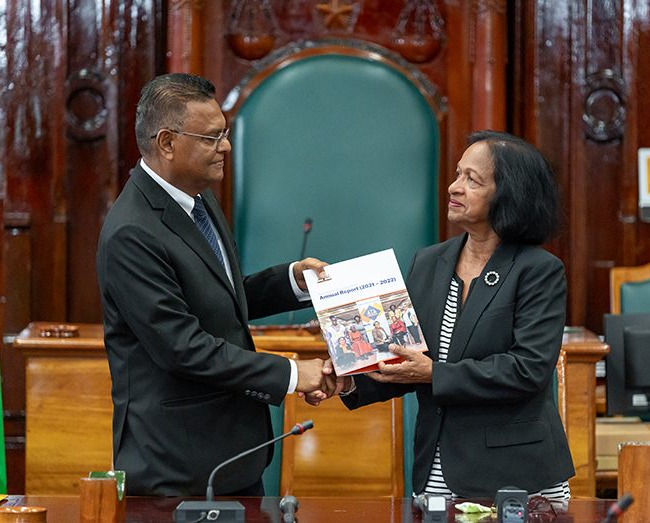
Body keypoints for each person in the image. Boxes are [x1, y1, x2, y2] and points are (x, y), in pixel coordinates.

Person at [96, 73, 334, 496]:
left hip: (233, 455)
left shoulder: (199, 199)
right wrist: (294, 373)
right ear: (167, 142)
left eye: (224, 134)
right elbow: (182, 347)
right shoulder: (132, 231)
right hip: (176, 465)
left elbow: (217, 295)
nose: (225, 146)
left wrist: (292, 281)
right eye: (211, 137)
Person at [313, 130, 573, 499]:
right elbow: (404, 356)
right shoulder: (429, 262)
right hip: (435, 469)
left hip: (515, 474)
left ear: (508, 195)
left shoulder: (538, 270)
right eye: (457, 173)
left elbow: (527, 369)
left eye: (472, 179)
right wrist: (352, 376)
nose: (453, 187)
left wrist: (434, 372)